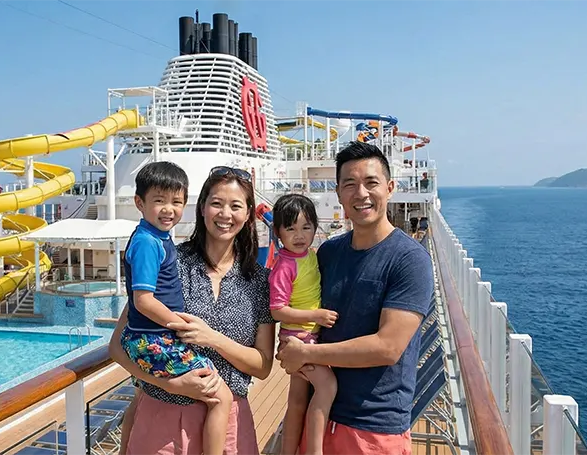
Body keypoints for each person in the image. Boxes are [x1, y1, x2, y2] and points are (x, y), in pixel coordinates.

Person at [276, 141, 435, 454]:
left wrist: (306, 355)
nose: (361, 193)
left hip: (371, 429)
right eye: (350, 184)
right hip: (318, 419)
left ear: (390, 188)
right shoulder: (330, 252)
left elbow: (387, 348)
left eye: (371, 183)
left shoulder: (409, 259)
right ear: (338, 193)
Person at [110, 165, 276, 455]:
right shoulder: (171, 262)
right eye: (216, 203)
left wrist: (211, 338)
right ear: (201, 208)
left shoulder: (258, 280)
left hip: (228, 424)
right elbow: (117, 346)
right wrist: (172, 384)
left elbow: (262, 366)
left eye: (235, 206)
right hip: (162, 415)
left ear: (248, 213)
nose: (225, 214)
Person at [118, 161, 233, 455]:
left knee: (141, 393)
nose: (168, 209)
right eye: (159, 200)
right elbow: (142, 300)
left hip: (149, 337)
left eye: (177, 202)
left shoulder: (158, 238)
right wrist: (179, 325)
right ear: (139, 203)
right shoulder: (147, 242)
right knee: (221, 396)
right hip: (155, 339)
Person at [267, 194, 338, 455]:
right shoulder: (284, 266)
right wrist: (316, 316)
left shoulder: (309, 256)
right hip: (299, 339)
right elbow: (277, 311)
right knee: (327, 385)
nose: (299, 235)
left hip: (306, 336)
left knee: (297, 401)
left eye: (306, 227)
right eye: (291, 228)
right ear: (278, 232)